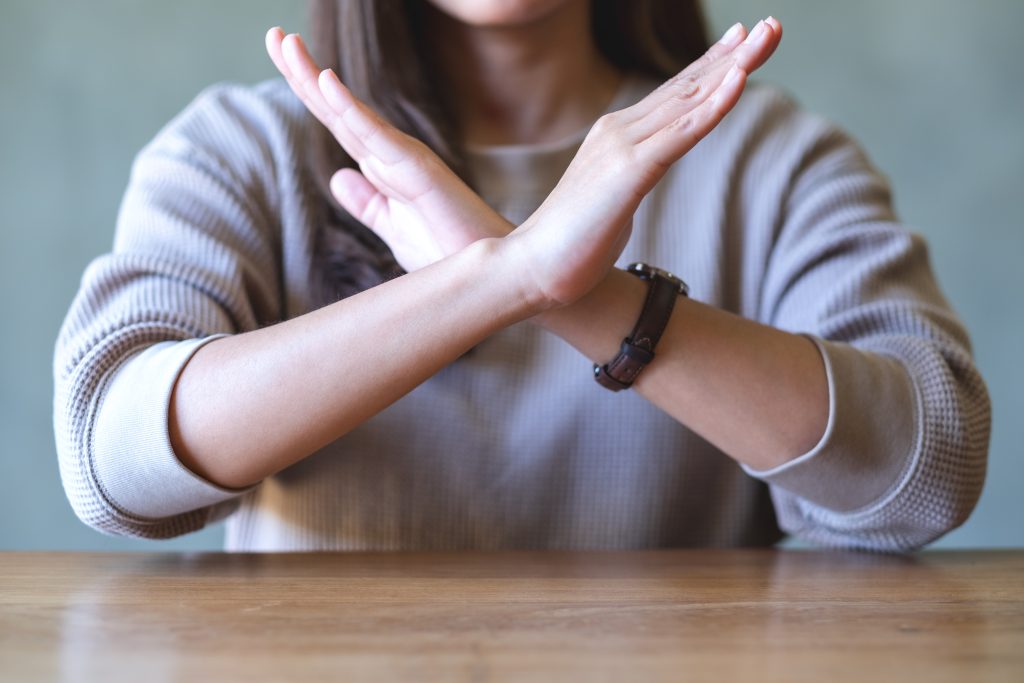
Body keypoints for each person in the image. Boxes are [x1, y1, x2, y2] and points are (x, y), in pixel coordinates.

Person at [53, 0, 990, 551]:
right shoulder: (242, 150)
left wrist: (575, 293)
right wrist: (501, 278)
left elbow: (924, 472)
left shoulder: (771, 157)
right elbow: (111, 457)